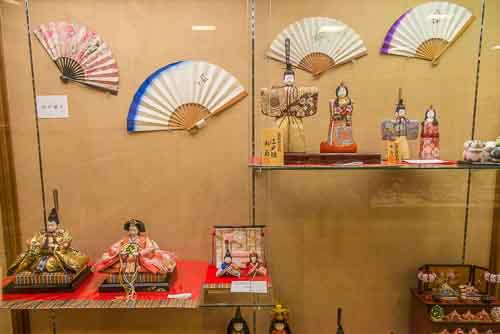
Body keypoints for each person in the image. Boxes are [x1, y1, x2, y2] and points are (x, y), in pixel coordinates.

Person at [8, 207, 89, 274]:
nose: (49, 227)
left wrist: (54, 246)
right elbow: (32, 241)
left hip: (56, 256)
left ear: (57, 225)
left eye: (52, 225)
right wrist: (38, 244)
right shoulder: (42, 233)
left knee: (50, 264)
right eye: (48, 225)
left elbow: (65, 244)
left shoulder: (63, 233)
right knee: (31, 261)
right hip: (40, 255)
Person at [93, 219, 176, 274]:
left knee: (151, 263)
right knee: (114, 264)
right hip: (126, 258)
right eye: (130, 230)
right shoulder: (124, 240)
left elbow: (150, 248)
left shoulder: (144, 239)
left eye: (134, 230)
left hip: (140, 258)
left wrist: (140, 252)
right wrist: (121, 251)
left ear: (138, 231)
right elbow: (113, 247)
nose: (132, 232)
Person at [321, 82, 357, 153]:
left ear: (347, 92)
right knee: (336, 132)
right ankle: (334, 143)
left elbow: (350, 111)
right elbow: (333, 113)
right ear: (337, 92)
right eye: (340, 91)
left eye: (344, 91)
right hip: (337, 120)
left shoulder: (350, 101)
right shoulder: (333, 101)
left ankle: (347, 143)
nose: (342, 92)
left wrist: (346, 115)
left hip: (346, 120)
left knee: (346, 133)